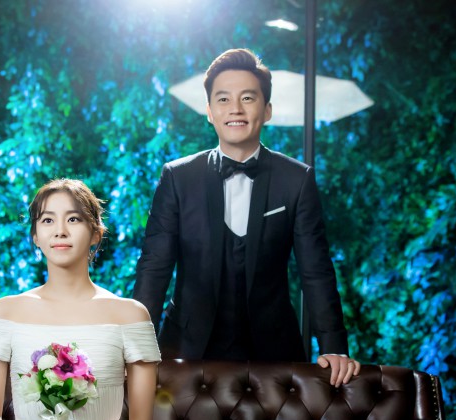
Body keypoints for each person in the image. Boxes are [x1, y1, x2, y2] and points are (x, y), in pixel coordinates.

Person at [133, 48, 360, 387]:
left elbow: (315, 270)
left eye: (248, 98)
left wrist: (333, 346)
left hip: (274, 353)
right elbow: (154, 268)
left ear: (267, 110)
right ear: (210, 112)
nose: (235, 109)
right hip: (186, 349)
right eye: (223, 99)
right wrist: (135, 346)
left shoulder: (296, 180)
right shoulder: (178, 178)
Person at [0, 178, 161, 420]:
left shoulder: (131, 315)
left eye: (73, 219)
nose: (60, 230)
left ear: (96, 233)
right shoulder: (6, 311)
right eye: (48, 220)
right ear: (35, 235)